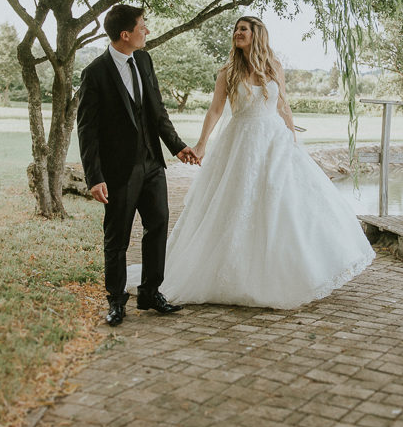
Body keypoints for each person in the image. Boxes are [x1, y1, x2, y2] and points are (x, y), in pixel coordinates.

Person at [159, 16, 375, 309]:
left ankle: (293, 270)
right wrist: (201, 143)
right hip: (240, 142)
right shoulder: (227, 72)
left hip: (274, 141)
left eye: (243, 29)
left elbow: (282, 103)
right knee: (237, 204)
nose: (237, 33)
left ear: (256, 34)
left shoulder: (274, 68)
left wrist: (292, 136)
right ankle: (232, 271)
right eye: (236, 29)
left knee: (282, 202)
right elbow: (215, 110)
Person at [76, 4, 199, 326]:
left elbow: (157, 111)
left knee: (157, 227)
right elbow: (87, 131)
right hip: (118, 171)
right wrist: (94, 177)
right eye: (143, 26)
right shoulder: (94, 73)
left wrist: (177, 146)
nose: (147, 31)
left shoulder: (144, 60)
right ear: (125, 34)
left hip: (152, 165)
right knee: (116, 238)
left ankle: (150, 293)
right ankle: (116, 301)